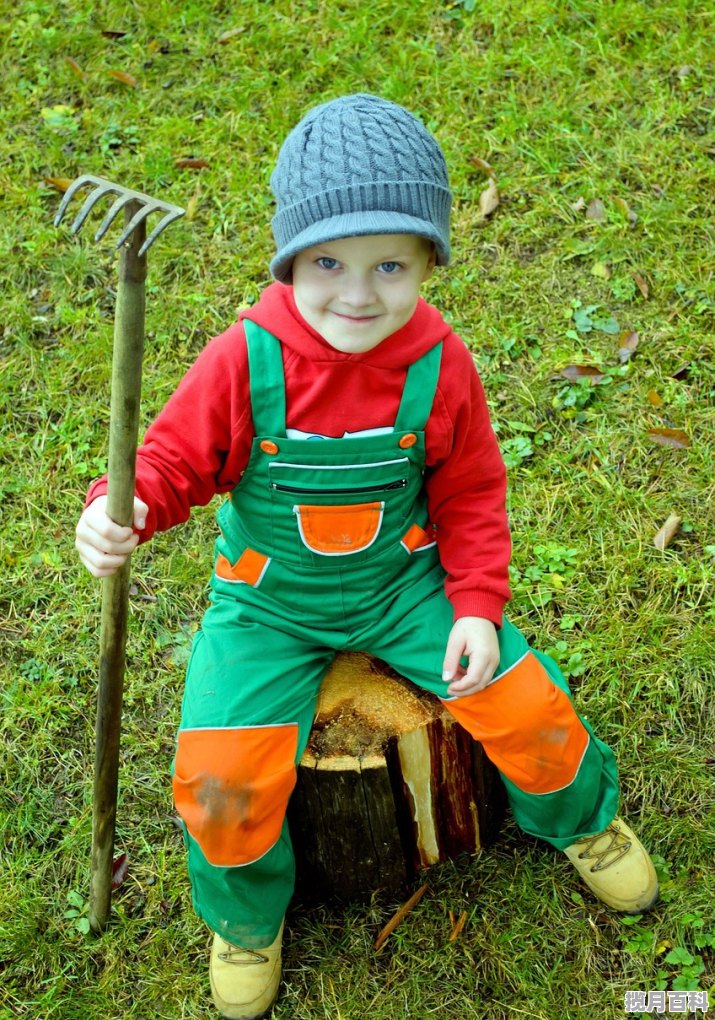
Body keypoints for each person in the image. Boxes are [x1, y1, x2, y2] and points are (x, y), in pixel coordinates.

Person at [76, 94, 658, 1020]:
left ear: (429, 260)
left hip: (404, 585)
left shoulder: (439, 364)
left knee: (525, 702)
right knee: (221, 776)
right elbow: (169, 462)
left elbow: (469, 492)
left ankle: (582, 822)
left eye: (390, 263)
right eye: (327, 263)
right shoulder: (243, 361)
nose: (357, 293)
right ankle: (244, 918)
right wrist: (121, 509)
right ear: (289, 261)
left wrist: (472, 605)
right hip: (266, 605)